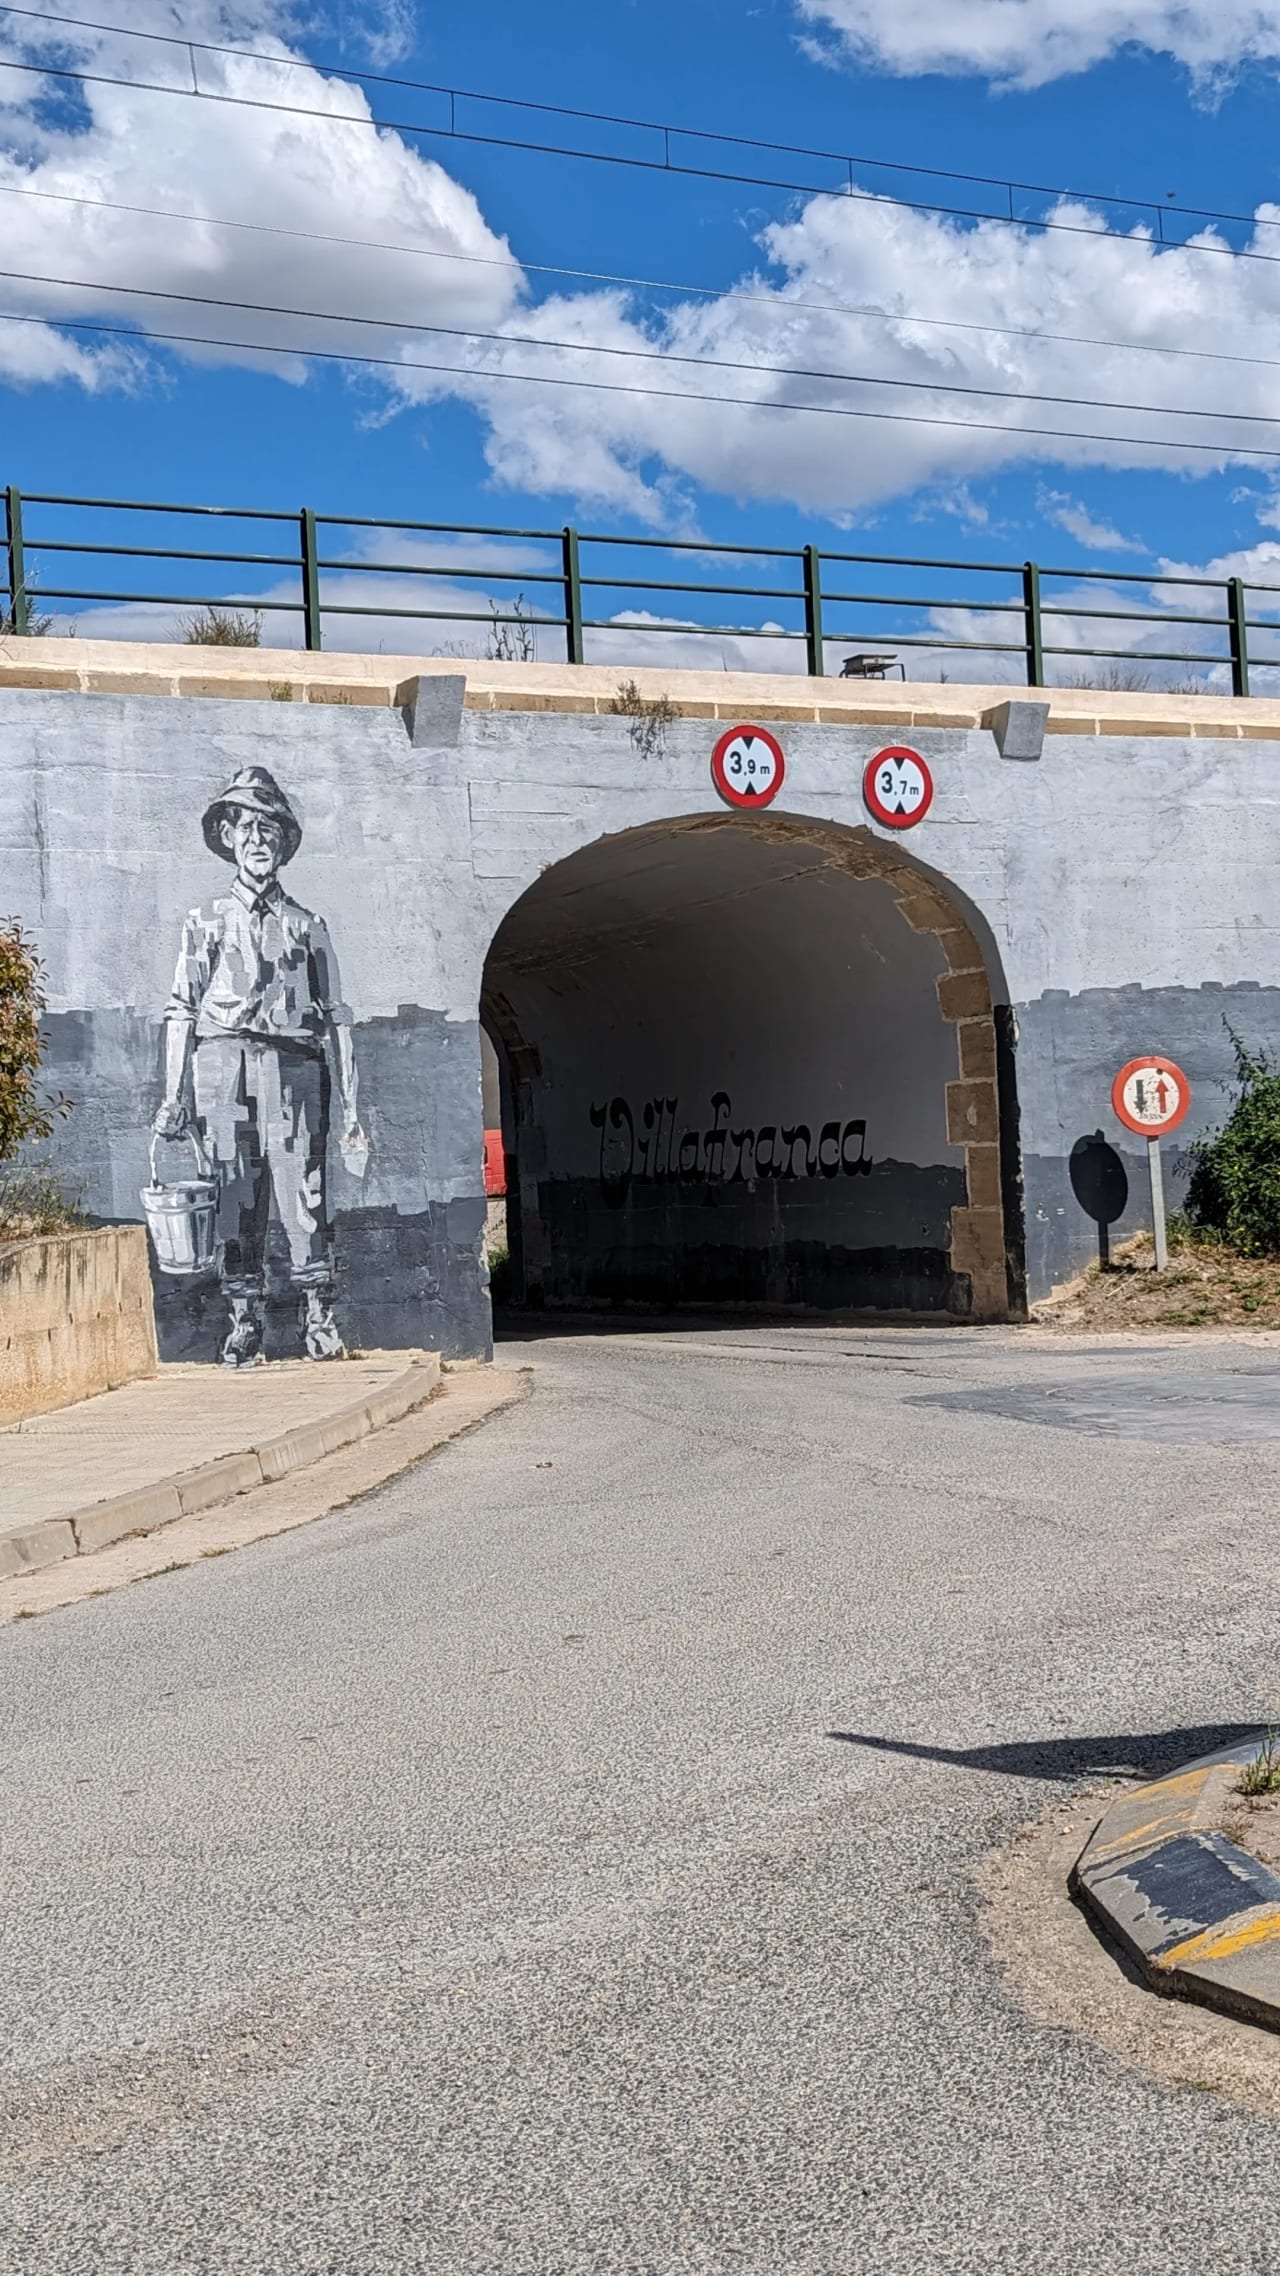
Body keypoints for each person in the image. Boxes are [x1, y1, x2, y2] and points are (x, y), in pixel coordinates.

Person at [153, 766, 367, 1366]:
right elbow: (181, 1011)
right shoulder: (204, 924)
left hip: (295, 1070)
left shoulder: (307, 926)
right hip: (220, 1067)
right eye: (245, 828)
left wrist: (351, 1111)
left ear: (283, 843)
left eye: (269, 830)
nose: (256, 840)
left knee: (304, 1194)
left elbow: (337, 1020)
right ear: (226, 837)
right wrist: (174, 1095)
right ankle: (244, 1321)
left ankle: (319, 1318)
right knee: (233, 1197)